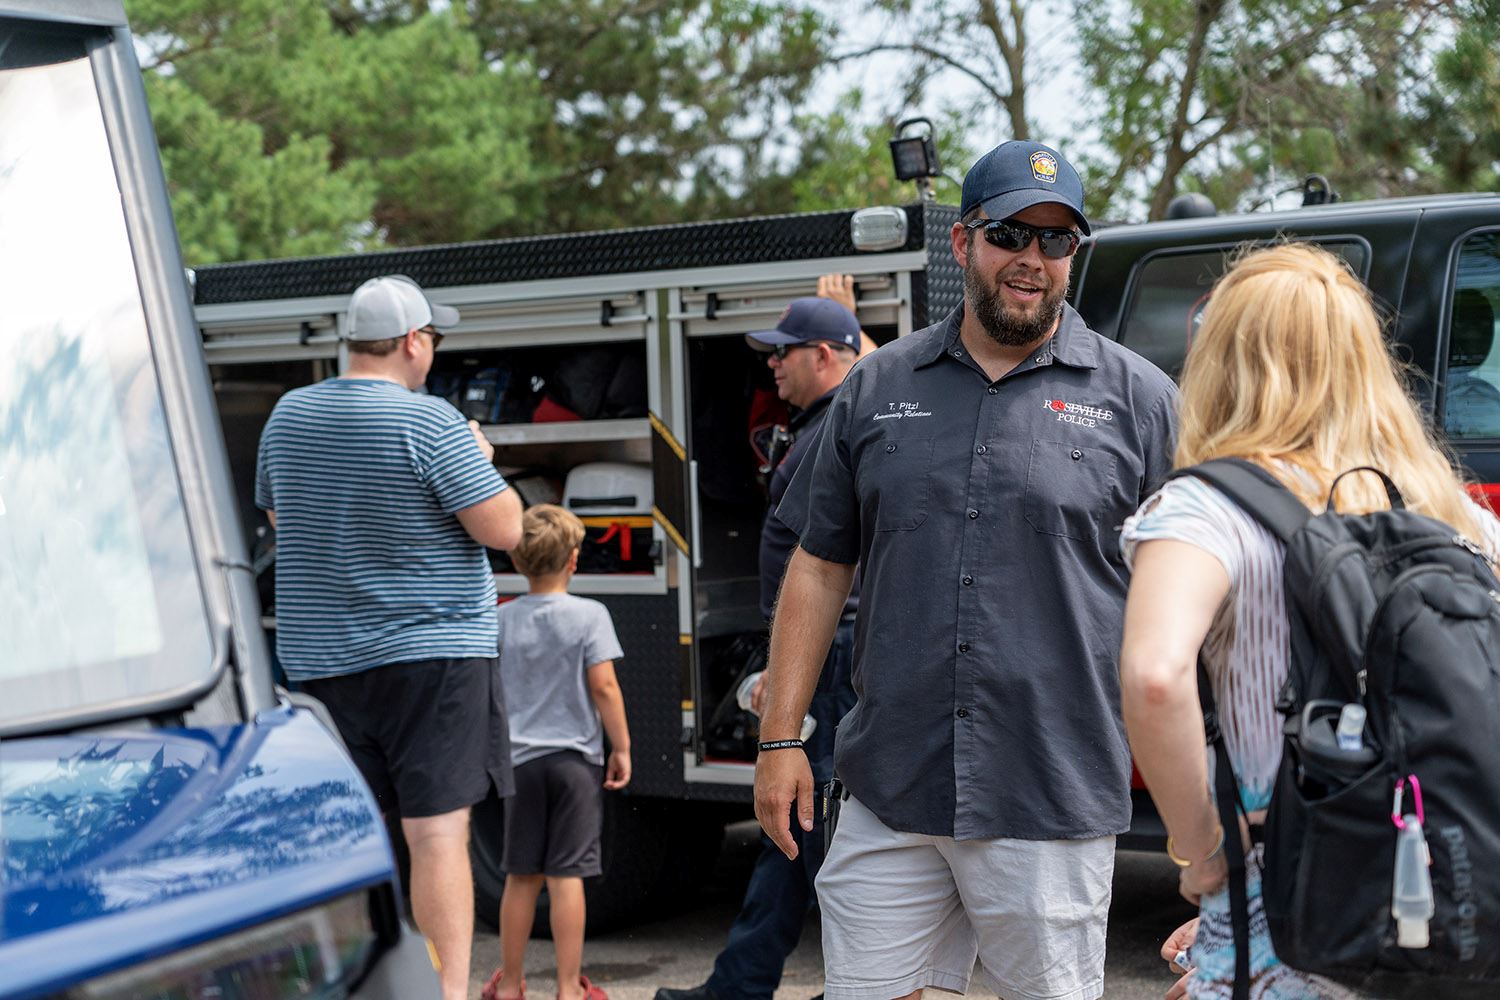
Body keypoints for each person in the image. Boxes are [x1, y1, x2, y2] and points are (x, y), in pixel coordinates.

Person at [753, 139, 1179, 1000]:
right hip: (889, 786)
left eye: (1056, 242)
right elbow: (819, 563)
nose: (1033, 260)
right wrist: (779, 738)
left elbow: (1191, 606)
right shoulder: (876, 387)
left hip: (1050, 795)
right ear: (962, 242)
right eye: (1012, 234)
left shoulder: (1141, 401)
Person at [1117, 243, 1500, 999]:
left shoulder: (1204, 509)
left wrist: (1203, 854)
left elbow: (1155, 676)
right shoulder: (1453, 511)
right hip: (1447, 874)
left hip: (1287, 884)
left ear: (1219, 359)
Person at [255, 273, 522, 1000]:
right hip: (432, 659)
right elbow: (506, 530)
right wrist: (483, 461)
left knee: (349, 837)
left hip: (321, 661)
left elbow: (282, 523)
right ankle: (444, 995)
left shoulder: (287, 418)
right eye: (432, 338)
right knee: (436, 835)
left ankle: (358, 986)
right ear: (413, 342)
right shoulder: (430, 422)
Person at [655, 291, 864, 1000]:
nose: (771, 365)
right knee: (795, 825)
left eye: (783, 351)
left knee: (826, 829)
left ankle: (857, 984)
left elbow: (825, 561)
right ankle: (736, 988)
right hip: (820, 655)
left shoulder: (838, 427)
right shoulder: (820, 424)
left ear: (825, 356)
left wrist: (791, 665)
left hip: (830, 657)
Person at [483, 504, 631, 1000]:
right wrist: (622, 747)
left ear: (520, 562)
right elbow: (605, 687)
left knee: (520, 876)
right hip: (574, 764)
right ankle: (569, 987)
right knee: (568, 876)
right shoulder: (591, 615)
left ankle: (510, 985)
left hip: (520, 763)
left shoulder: (501, 619)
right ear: (573, 560)